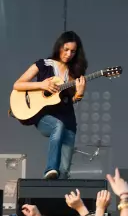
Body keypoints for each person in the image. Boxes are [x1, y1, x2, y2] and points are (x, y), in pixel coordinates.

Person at [13, 31, 88, 179]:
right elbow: (18, 84)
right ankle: (50, 168)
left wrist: (79, 94)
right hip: (43, 115)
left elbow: (70, 101)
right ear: (59, 47)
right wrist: (42, 85)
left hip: (67, 118)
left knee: (65, 170)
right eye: (66, 49)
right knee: (57, 125)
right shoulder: (43, 65)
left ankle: (56, 192)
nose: (68, 54)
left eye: (73, 51)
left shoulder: (74, 73)